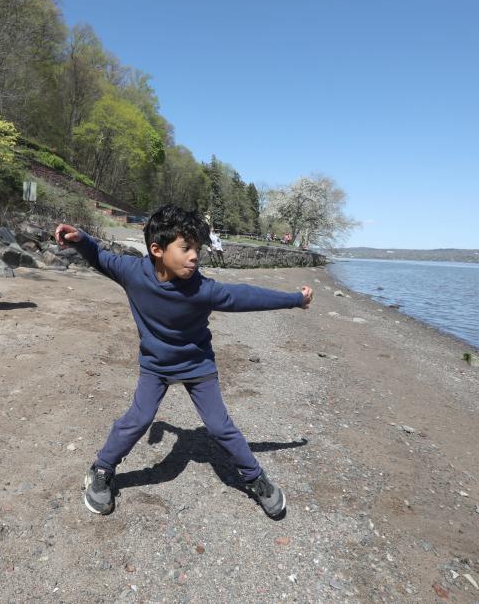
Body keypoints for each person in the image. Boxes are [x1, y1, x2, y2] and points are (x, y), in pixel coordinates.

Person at [55, 205, 313, 518]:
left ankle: (256, 478)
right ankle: (101, 469)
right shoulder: (131, 272)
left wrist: (295, 299)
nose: (194, 257)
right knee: (138, 418)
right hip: (156, 365)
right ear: (157, 250)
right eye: (186, 248)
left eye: (198, 249)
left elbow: (247, 296)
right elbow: (99, 256)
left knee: (220, 426)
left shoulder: (203, 290)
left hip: (196, 365)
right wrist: (80, 239)